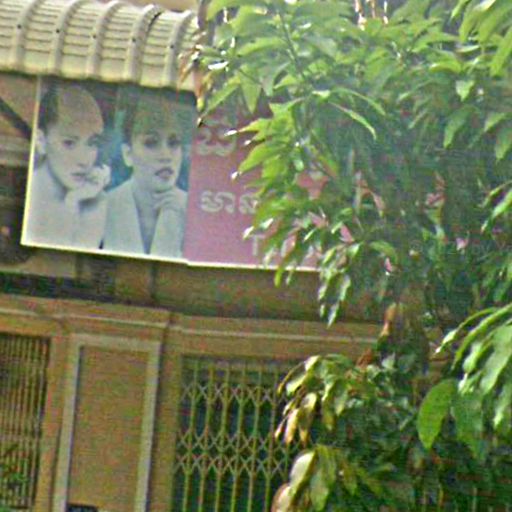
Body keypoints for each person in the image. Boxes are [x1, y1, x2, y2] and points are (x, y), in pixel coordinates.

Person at [103, 89, 193, 259]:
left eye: (174, 143)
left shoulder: (194, 211)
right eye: (151, 143)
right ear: (127, 154)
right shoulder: (105, 207)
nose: (166, 156)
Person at [23, 81, 110, 249]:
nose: (84, 160)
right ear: (41, 141)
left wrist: (74, 201)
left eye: (92, 143)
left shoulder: (96, 200)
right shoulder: (27, 194)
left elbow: (72, 260)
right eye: (69, 143)